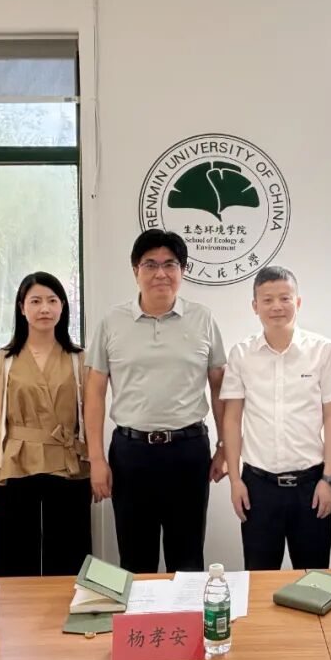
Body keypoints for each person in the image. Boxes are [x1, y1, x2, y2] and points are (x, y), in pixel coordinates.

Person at [85, 230, 227, 574]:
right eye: (150, 264)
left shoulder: (203, 318)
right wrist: (96, 459)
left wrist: (224, 447)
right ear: (136, 270)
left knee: (187, 559)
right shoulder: (112, 322)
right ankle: (141, 613)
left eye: (170, 265)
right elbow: (94, 393)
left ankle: (186, 612)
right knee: (135, 560)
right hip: (131, 453)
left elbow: (219, 387)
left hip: (188, 450)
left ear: (182, 271)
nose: (160, 273)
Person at [221, 265, 331, 571]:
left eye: (285, 298)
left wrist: (329, 480)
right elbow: (232, 420)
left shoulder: (324, 351)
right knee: (258, 576)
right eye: (267, 300)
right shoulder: (241, 354)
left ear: (298, 302)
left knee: (313, 578)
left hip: (311, 485)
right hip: (258, 487)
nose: (277, 306)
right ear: (255, 306)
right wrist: (236, 481)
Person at [0, 272, 90, 577]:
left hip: (68, 463)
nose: (44, 309)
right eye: (36, 301)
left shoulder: (79, 358)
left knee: (69, 556)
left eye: (52, 300)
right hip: (16, 462)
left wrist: (96, 464)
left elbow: (91, 417)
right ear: (21, 307)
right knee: (14, 557)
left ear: (63, 306)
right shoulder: (3, 360)